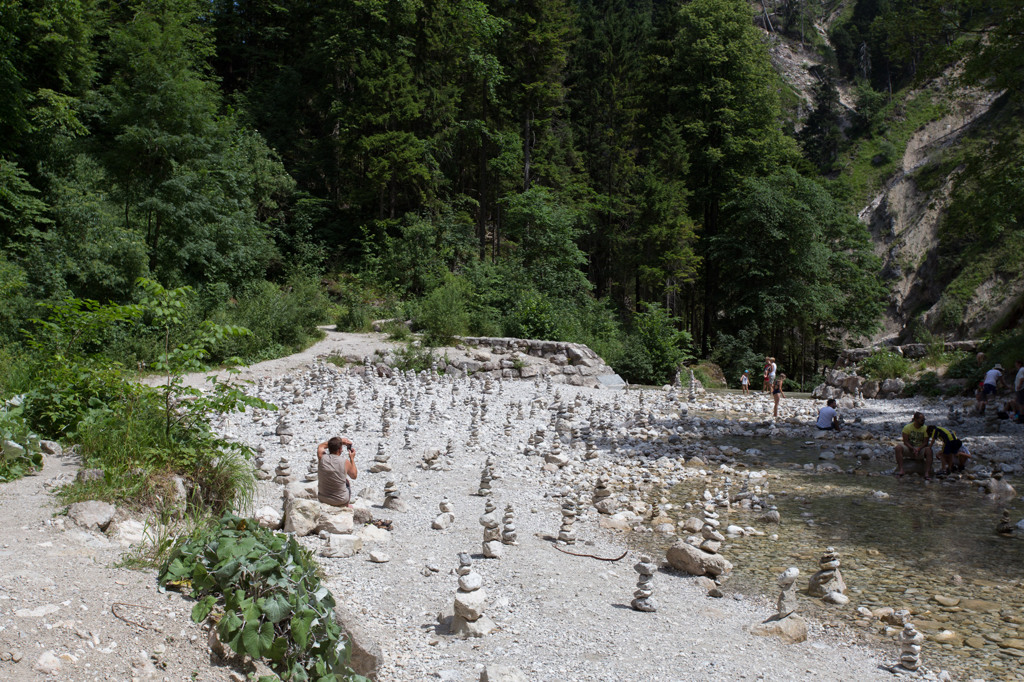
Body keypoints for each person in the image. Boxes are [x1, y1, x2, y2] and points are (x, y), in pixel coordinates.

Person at [317, 436, 358, 507]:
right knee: (346, 482)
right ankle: (346, 505)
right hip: (340, 501)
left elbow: (321, 446)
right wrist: (352, 458)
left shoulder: (322, 457)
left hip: (323, 499)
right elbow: (354, 476)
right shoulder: (345, 462)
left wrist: (341, 441)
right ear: (340, 449)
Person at [894, 412, 933, 479]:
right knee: (898, 447)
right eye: (922, 420)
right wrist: (912, 448)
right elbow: (905, 441)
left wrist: (918, 449)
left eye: (924, 420)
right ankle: (901, 470)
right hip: (910, 448)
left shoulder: (925, 428)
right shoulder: (907, 427)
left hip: (920, 449)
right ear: (915, 420)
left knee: (929, 450)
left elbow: (925, 442)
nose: (923, 421)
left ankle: (927, 473)